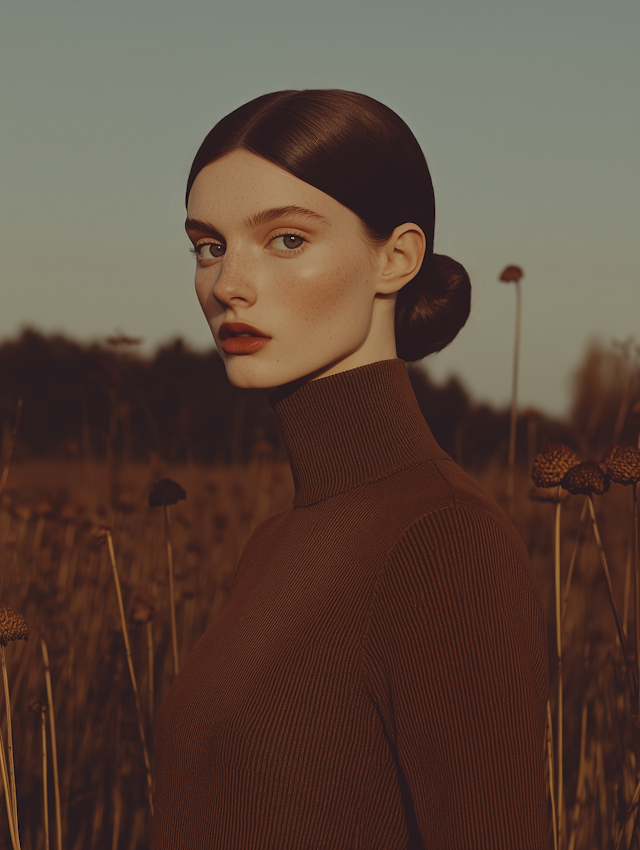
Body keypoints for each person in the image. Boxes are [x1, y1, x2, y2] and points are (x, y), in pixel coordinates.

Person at [151, 89, 549, 849]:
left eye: (286, 240)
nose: (228, 284)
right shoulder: (274, 543)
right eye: (209, 246)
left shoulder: (444, 540)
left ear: (396, 257)